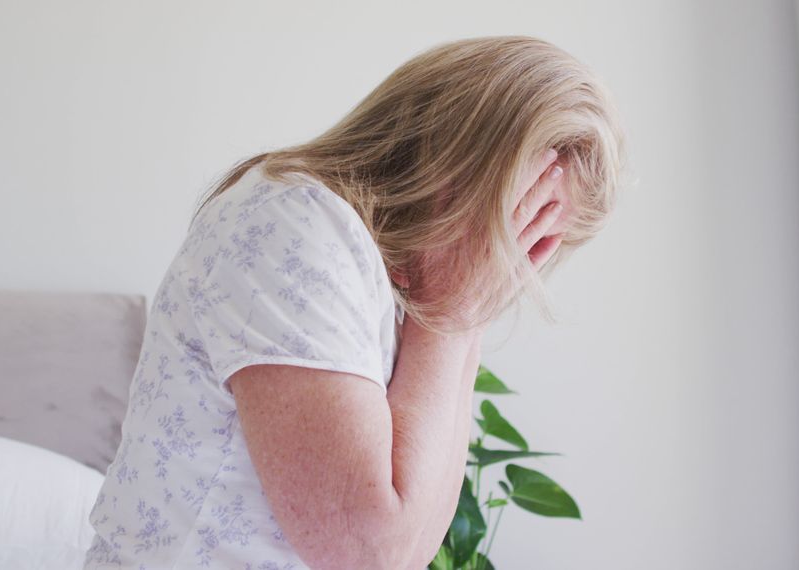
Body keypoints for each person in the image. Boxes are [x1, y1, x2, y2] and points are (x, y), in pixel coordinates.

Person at [84, 35, 624, 569]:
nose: (515, 262)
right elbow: (370, 553)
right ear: (455, 165)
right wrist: (458, 316)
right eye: (525, 222)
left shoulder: (403, 284)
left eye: (540, 243)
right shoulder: (291, 223)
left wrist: (464, 314)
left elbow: (413, 549)